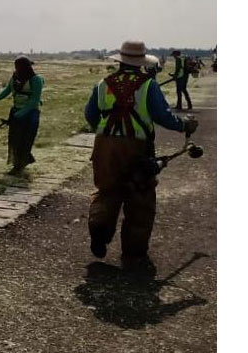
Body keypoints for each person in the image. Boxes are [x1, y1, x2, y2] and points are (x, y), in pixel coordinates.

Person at [83, 40, 196, 271]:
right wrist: (184, 126)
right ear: (141, 63)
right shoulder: (148, 85)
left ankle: (99, 230)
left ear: (120, 61)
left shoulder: (103, 84)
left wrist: (106, 133)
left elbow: (90, 114)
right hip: (137, 147)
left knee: (106, 190)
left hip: (104, 146)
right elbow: (164, 117)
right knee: (140, 198)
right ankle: (134, 254)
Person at [0, 55, 44, 172]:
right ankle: (21, 161)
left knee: (25, 140)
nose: (16, 69)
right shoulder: (15, 78)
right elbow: (7, 91)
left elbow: (34, 101)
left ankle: (19, 166)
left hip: (31, 114)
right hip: (16, 112)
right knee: (14, 140)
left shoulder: (36, 80)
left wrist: (18, 115)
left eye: (18, 67)